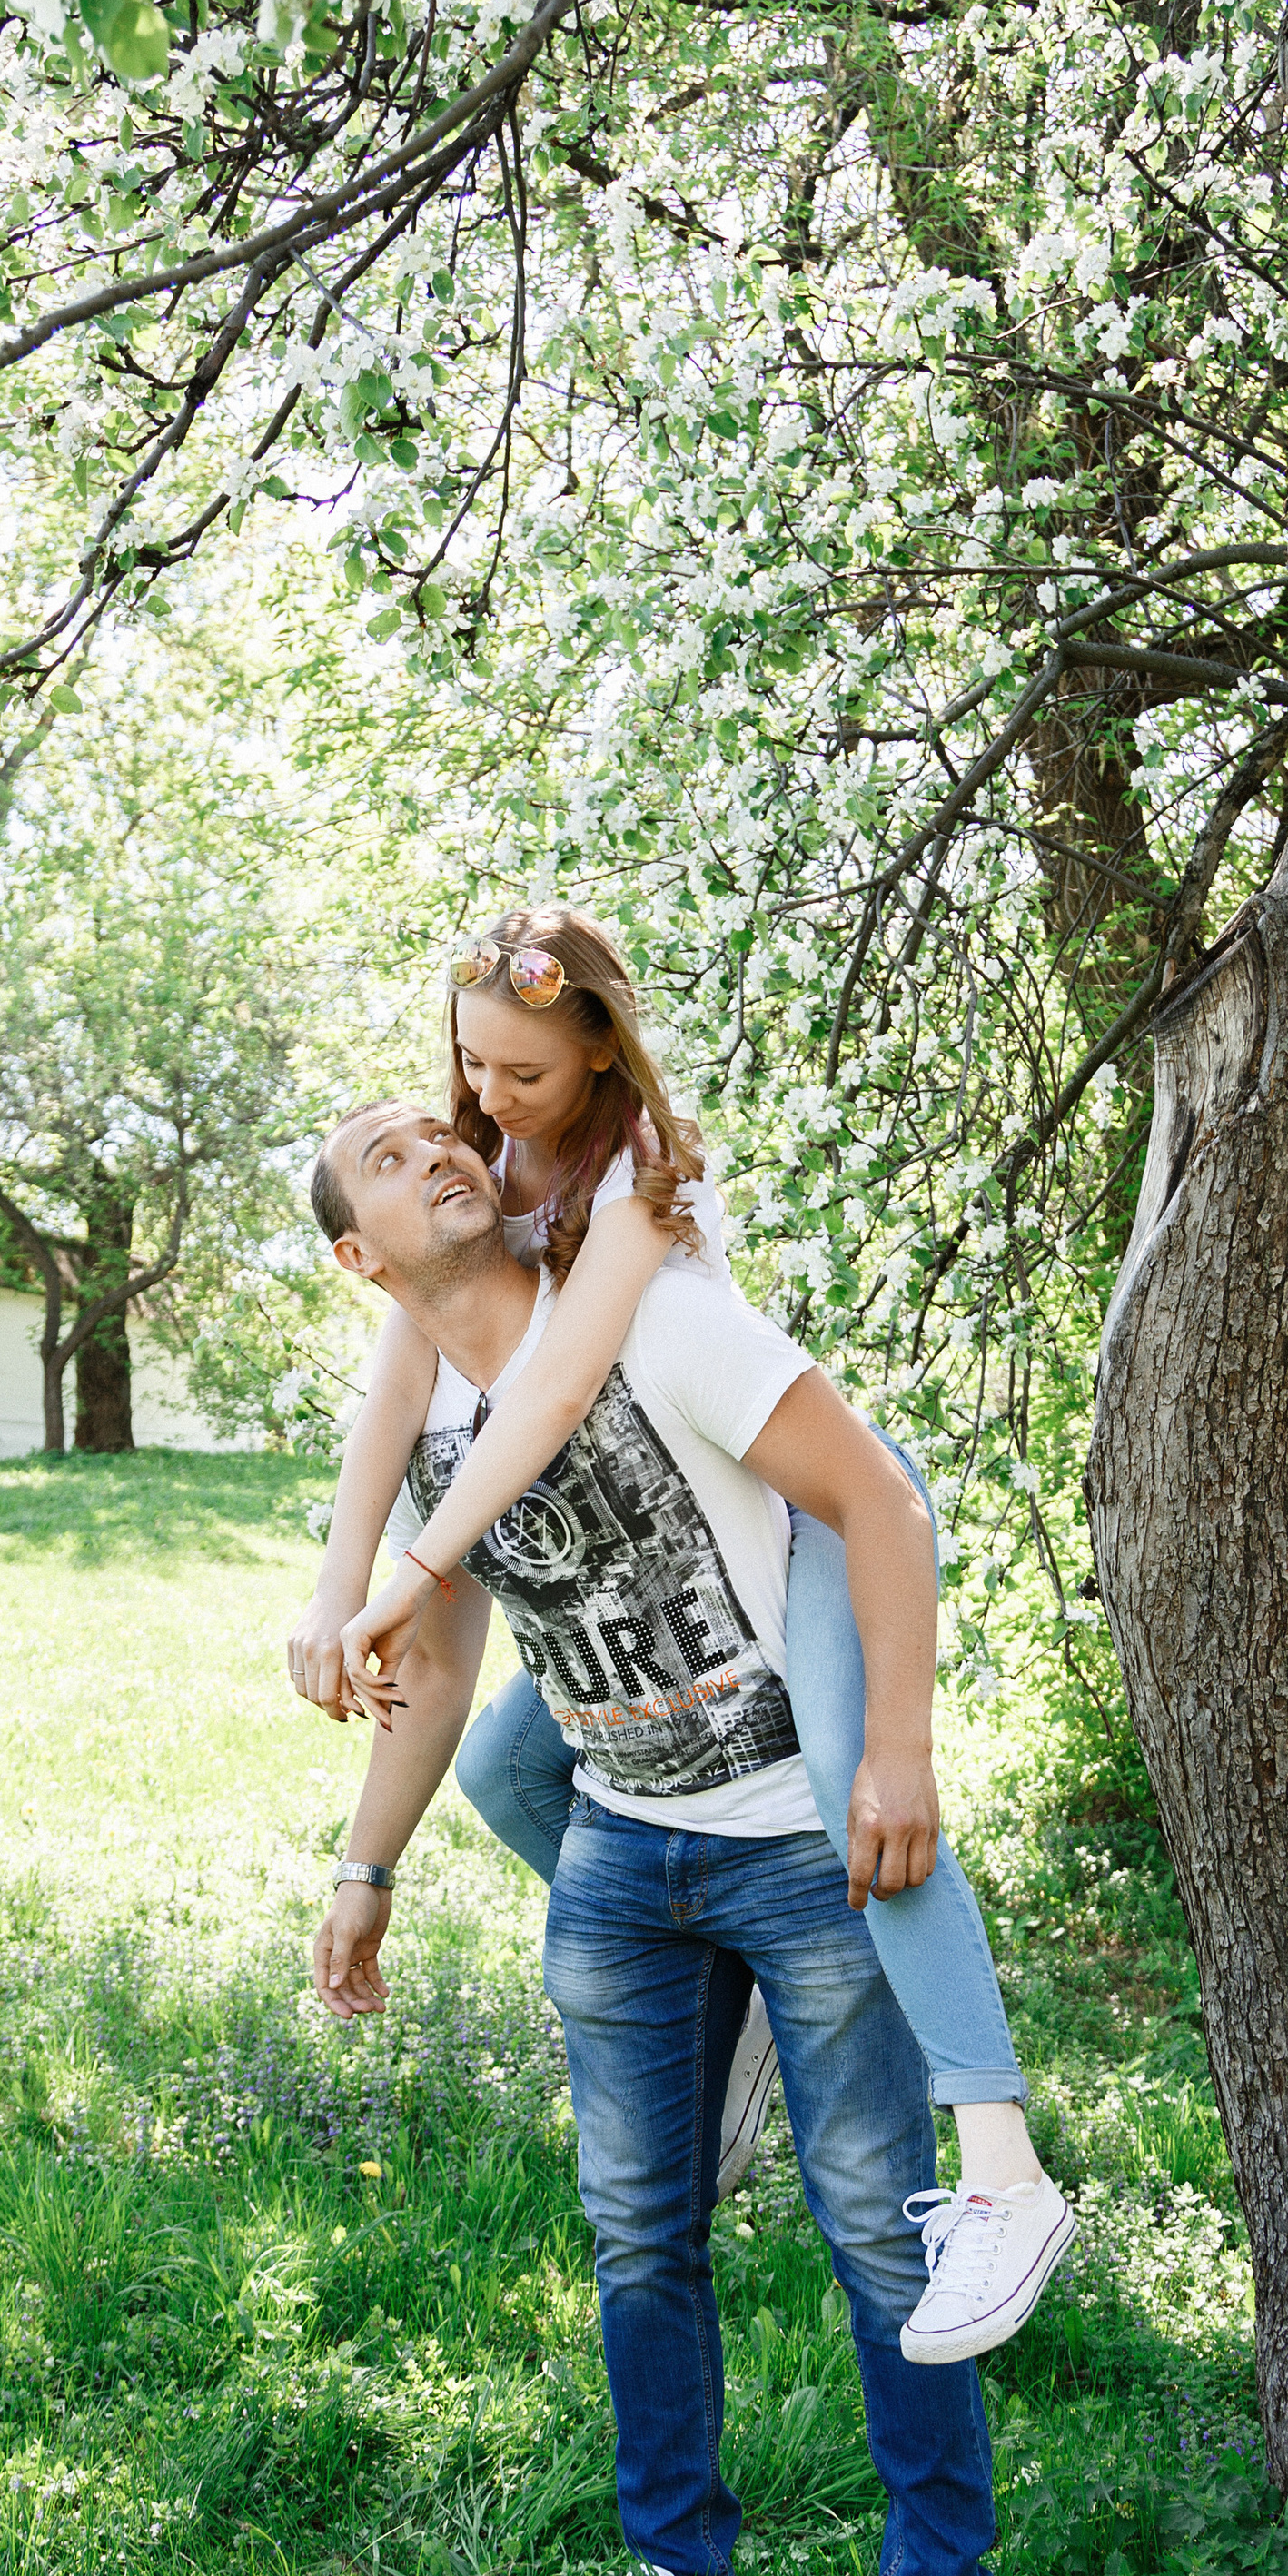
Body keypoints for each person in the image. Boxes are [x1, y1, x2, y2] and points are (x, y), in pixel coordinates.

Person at [301, 1093, 1013, 2576]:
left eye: (445, 1131)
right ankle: (680, 2569)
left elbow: (875, 1501)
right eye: (395, 1163)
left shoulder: (653, 1318)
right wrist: (365, 1871)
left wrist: (892, 1758)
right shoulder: (419, 1408)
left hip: (800, 1853)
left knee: (878, 2226)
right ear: (362, 1254)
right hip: (625, 1861)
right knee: (640, 2235)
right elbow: (448, 1668)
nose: (444, 1155)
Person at [286, 907, 1071, 2362]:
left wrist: (422, 1565)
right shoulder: (483, 1169)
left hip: (821, 1507)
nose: (487, 1103)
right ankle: (738, 2013)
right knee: (523, 1774)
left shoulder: (641, 1186)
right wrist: (340, 1591)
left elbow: (557, 1384)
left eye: (523, 1075)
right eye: (471, 1066)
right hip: (705, 1525)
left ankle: (1002, 2168)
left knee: (859, 1781)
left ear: (597, 1055)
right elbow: (398, 1388)